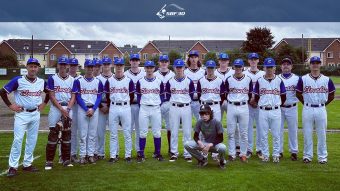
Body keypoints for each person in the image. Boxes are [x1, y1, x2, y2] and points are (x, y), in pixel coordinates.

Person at [0, 58, 49, 177]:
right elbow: (2, 91)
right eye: (31, 66)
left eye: (35, 66)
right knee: (18, 139)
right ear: (26, 67)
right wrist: (11, 105)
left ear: (38, 68)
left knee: (32, 140)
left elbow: (49, 93)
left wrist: (44, 104)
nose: (33, 68)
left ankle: (27, 164)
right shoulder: (18, 80)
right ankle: (13, 166)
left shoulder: (41, 82)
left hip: (35, 113)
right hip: (22, 114)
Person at [296, 56, 335, 164]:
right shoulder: (303, 79)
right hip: (307, 108)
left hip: (321, 109)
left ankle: (322, 157)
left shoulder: (327, 80)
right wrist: (306, 103)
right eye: (313, 63)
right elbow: (298, 93)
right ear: (310, 65)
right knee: (307, 133)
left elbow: (331, 95)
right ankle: (307, 156)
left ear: (320, 64)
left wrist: (323, 104)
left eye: (317, 63)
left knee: (322, 134)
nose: (315, 65)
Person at [252, 58, 286, 163]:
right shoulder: (259, 80)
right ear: (264, 68)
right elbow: (256, 96)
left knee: (276, 134)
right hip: (262, 110)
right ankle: (265, 154)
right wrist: (260, 104)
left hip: (276, 110)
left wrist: (277, 105)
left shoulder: (279, 80)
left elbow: (283, 96)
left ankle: (276, 154)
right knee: (263, 134)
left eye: (271, 67)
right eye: (267, 67)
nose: (269, 69)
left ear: (275, 68)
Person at [45, 57, 76, 170]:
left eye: (64, 64)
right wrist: (61, 109)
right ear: (58, 65)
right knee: (53, 134)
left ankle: (66, 160)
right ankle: (49, 161)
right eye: (61, 64)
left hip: (68, 108)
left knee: (67, 134)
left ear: (67, 66)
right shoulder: (52, 78)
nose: (63, 66)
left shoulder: (72, 80)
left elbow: (73, 96)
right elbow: (51, 96)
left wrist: (67, 109)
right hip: (56, 108)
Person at [73, 59, 103, 165]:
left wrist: (93, 109)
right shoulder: (79, 81)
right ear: (84, 68)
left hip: (94, 109)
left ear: (94, 68)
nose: (90, 69)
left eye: (92, 67)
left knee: (92, 134)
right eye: (88, 67)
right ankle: (82, 155)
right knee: (82, 133)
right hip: (83, 109)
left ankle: (90, 155)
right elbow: (78, 97)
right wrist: (86, 109)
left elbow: (99, 96)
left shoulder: (98, 81)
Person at [105, 58, 134, 163]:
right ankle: (113, 155)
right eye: (117, 65)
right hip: (113, 107)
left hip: (125, 106)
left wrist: (126, 105)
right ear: (114, 66)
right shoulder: (109, 80)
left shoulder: (129, 80)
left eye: (121, 65)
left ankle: (128, 155)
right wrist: (110, 105)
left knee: (127, 132)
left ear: (123, 67)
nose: (119, 67)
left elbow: (131, 95)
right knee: (113, 133)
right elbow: (107, 96)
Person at [166, 59, 195, 162]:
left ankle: (187, 153)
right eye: (177, 67)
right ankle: (174, 153)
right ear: (174, 68)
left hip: (186, 107)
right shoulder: (170, 81)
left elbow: (191, 94)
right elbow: (168, 95)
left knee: (187, 132)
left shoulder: (189, 81)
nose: (179, 69)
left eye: (181, 67)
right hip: (174, 107)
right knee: (174, 131)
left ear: (184, 68)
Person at [136, 60, 164, 162]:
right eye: (147, 68)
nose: (149, 69)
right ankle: (141, 154)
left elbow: (162, 95)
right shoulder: (140, 81)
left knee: (157, 132)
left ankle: (157, 153)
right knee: (143, 132)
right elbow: (138, 95)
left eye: (151, 68)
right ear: (145, 69)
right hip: (144, 108)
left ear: (154, 69)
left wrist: (158, 104)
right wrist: (141, 104)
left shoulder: (159, 81)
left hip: (156, 108)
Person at [225, 59, 252, 162]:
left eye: (239, 66)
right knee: (231, 132)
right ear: (233, 67)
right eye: (236, 66)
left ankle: (243, 154)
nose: (238, 68)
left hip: (244, 106)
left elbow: (249, 94)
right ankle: (232, 154)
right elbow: (225, 93)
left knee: (244, 133)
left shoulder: (248, 79)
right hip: (231, 106)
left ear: (243, 67)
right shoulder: (228, 79)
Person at [184, 104, 227, 169]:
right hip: (204, 144)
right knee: (187, 144)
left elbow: (220, 138)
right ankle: (202, 159)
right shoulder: (199, 122)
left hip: (215, 144)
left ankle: (222, 162)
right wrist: (200, 143)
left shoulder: (216, 122)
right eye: (202, 114)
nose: (204, 116)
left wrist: (210, 145)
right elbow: (195, 136)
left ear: (210, 113)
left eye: (206, 114)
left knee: (223, 147)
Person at [243, 53, 265, 159]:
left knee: (261, 127)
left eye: (255, 59)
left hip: (260, 104)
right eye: (251, 59)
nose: (253, 61)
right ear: (248, 61)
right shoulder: (244, 73)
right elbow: (243, 90)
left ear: (258, 61)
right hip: (248, 104)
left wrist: (257, 100)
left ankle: (259, 149)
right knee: (248, 128)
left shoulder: (263, 74)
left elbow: (265, 90)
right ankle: (249, 149)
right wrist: (250, 100)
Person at [278, 57, 300, 161]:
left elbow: (301, 93)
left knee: (293, 130)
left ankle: (294, 152)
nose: (286, 65)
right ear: (281, 66)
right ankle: (279, 151)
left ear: (291, 66)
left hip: (292, 107)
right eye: (284, 64)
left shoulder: (297, 78)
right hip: (279, 108)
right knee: (278, 130)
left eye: (288, 64)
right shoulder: (276, 78)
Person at [124, 54, 146, 155]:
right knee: (128, 129)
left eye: (136, 60)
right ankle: (128, 152)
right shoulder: (125, 74)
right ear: (130, 61)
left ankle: (138, 150)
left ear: (139, 61)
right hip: (128, 105)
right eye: (133, 60)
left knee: (139, 129)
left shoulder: (144, 74)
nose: (134, 62)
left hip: (140, 105)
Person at [154, 54, 175, 155]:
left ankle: (171, 149)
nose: (164, 63)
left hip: (170, 103)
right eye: (162, 61)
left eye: (165, 61)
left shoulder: (173, 74)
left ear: (168, 63)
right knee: (156, 127)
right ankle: (157, 151)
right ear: (159, 63)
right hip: (157, 104)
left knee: (170, 127)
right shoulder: (154, 74)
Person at [95, 57, 113, 160]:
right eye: (104, 64)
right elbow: (95, 96)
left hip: (112, 107)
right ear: (102, 65)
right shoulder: (97, 79)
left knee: (113, 132)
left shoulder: (115, 78)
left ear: (111, 65)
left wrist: (109, 106)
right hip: (101, 106)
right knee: (100, 132)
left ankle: (113, 153)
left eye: (108, 64)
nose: (106, 66)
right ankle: (100, 153)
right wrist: (101, 106)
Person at [68, 58, 82, 163]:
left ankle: (73, 153)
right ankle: (63, 154)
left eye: (75, 66)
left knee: (76, 132)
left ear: (77, 67)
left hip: (78, 107)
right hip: (67, 107)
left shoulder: (81, 78)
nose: (73, 67)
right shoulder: (66, 77)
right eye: (72, 65)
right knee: (65, 131)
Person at [184, 50, 205, 121]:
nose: (193, 59)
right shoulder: (184, 72)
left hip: (199, 101)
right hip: (188, 101)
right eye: (192, 57)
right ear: (189, 59)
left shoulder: (203, 72)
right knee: (186, 123)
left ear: (198, 58)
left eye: (195, 57)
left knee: (201, 122)